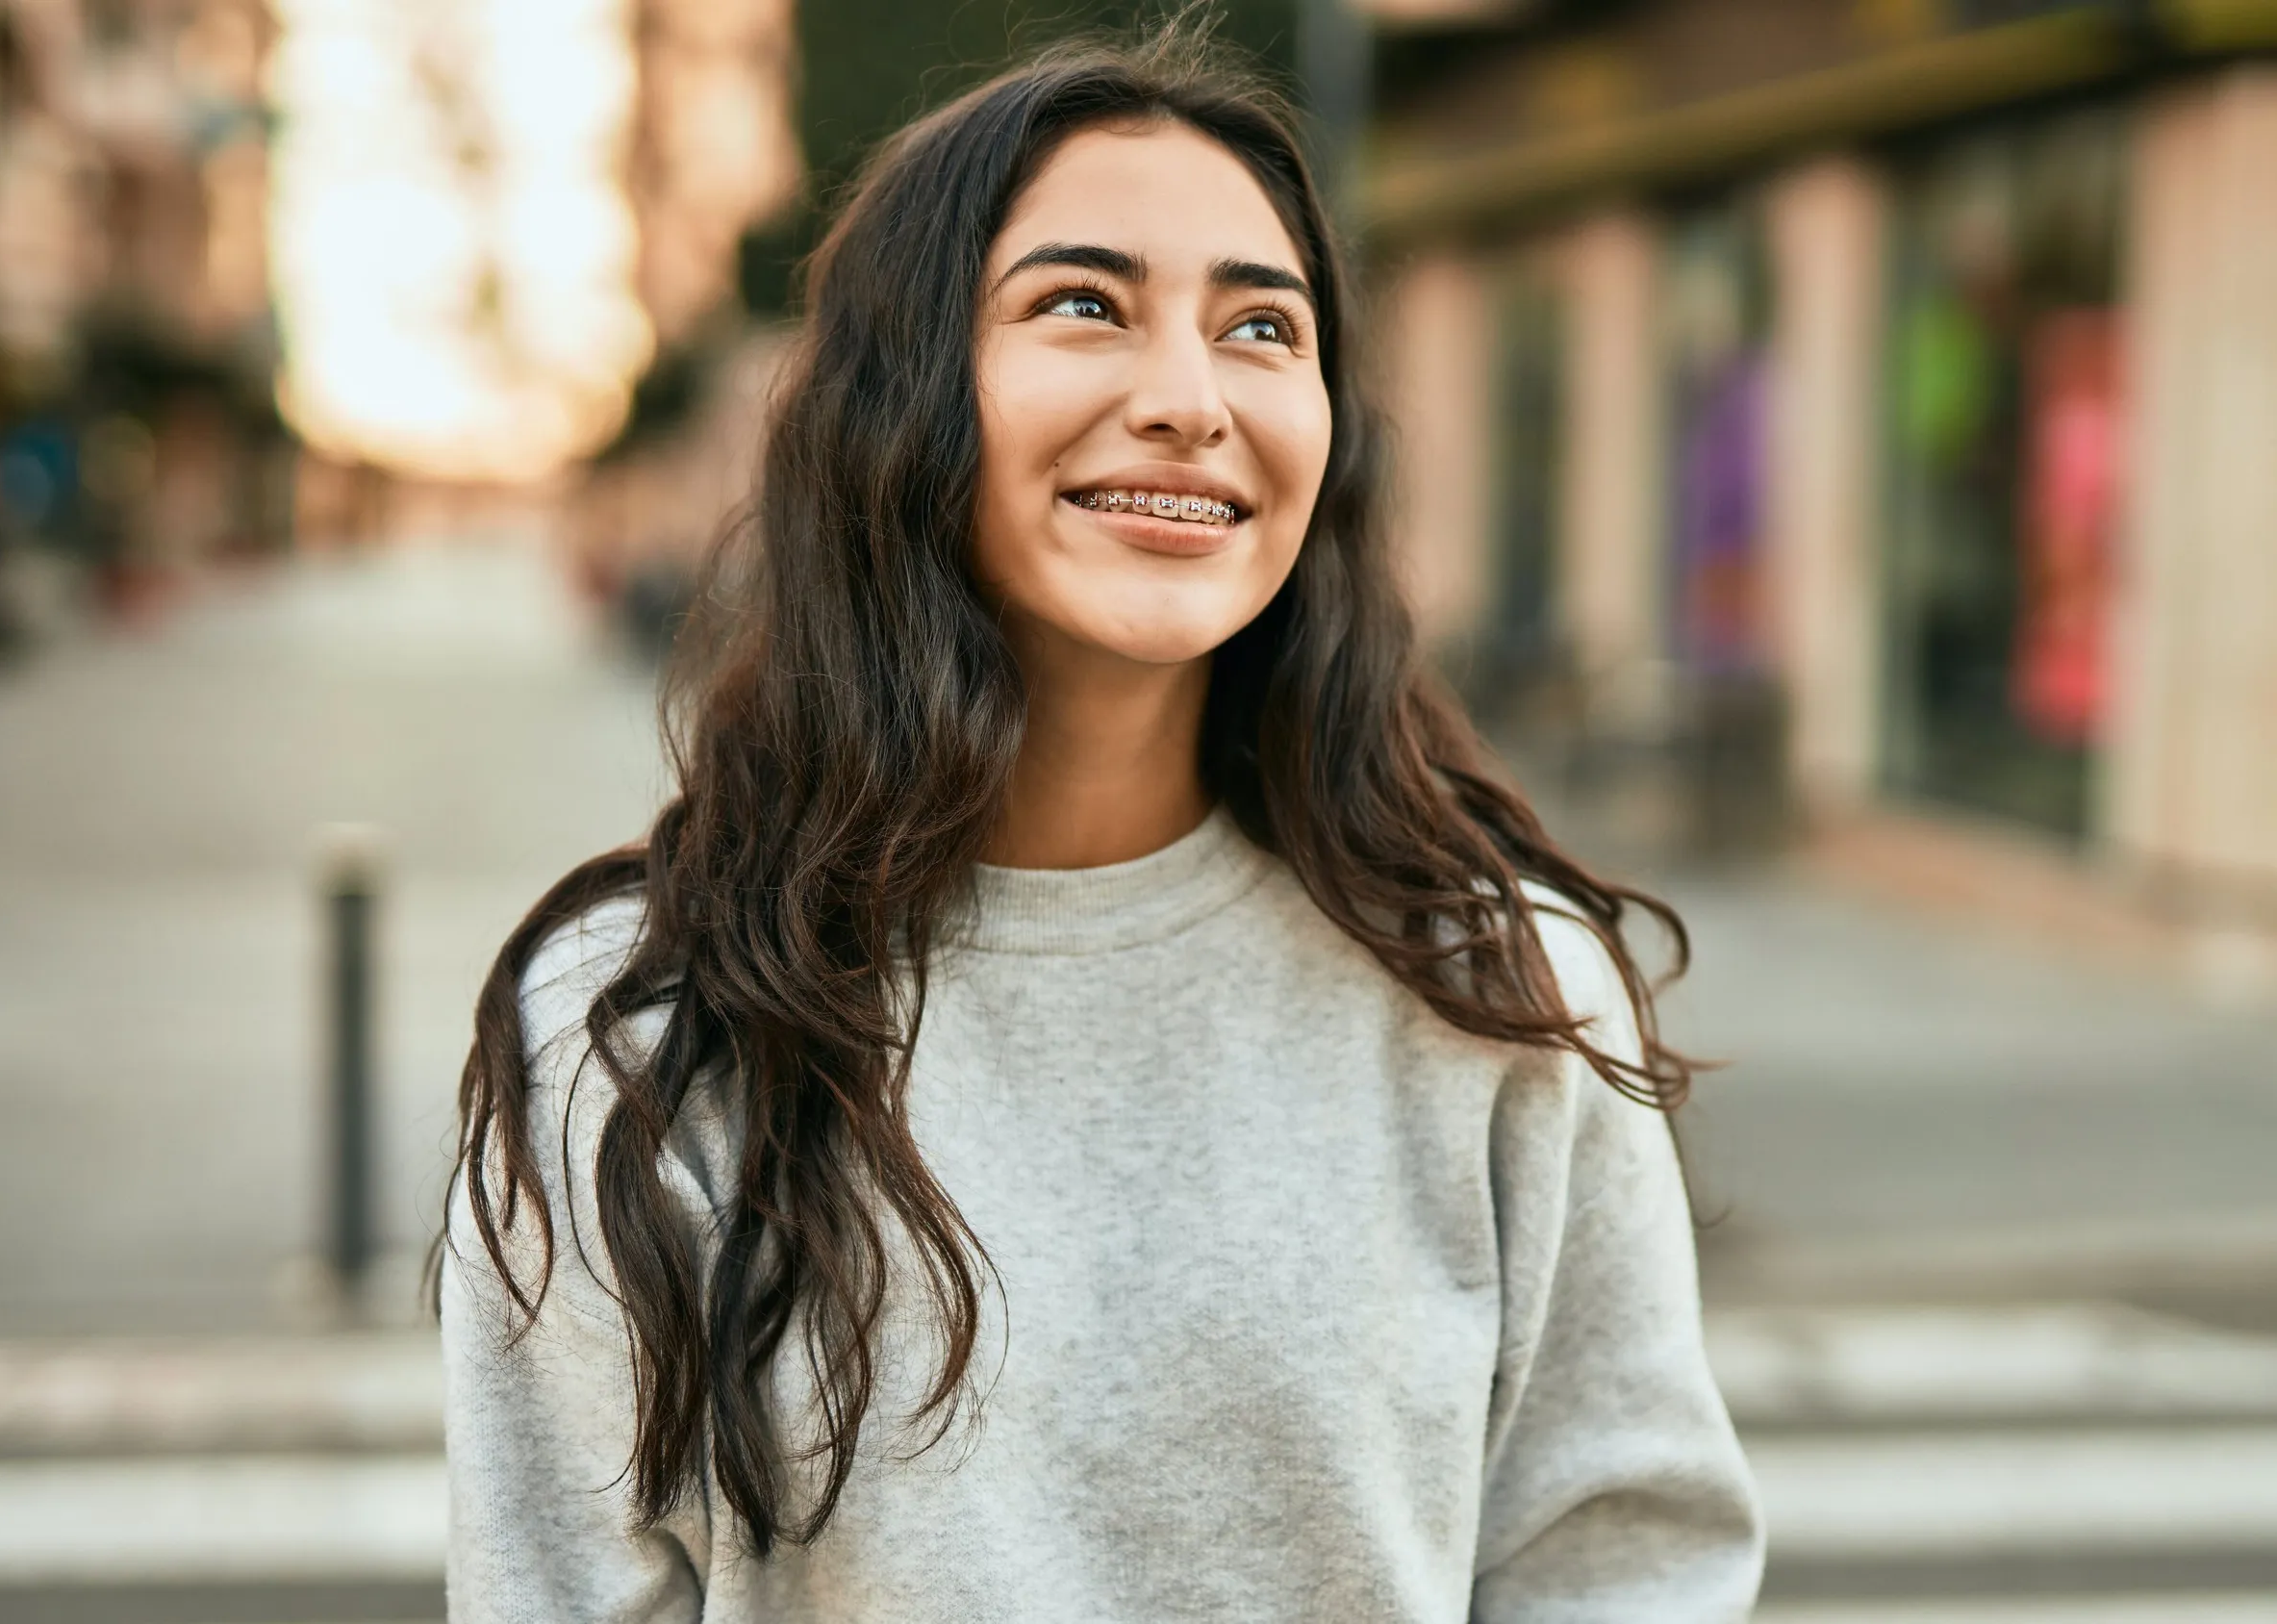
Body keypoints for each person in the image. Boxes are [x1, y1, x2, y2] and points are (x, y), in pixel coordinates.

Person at [440, 30, 1763, 1621]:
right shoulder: (639, 1033)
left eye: (1263, 328)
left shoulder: (1498, 990)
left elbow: (1623, 1569)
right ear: (901, 393)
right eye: (1085, 304)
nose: (1190, 401)